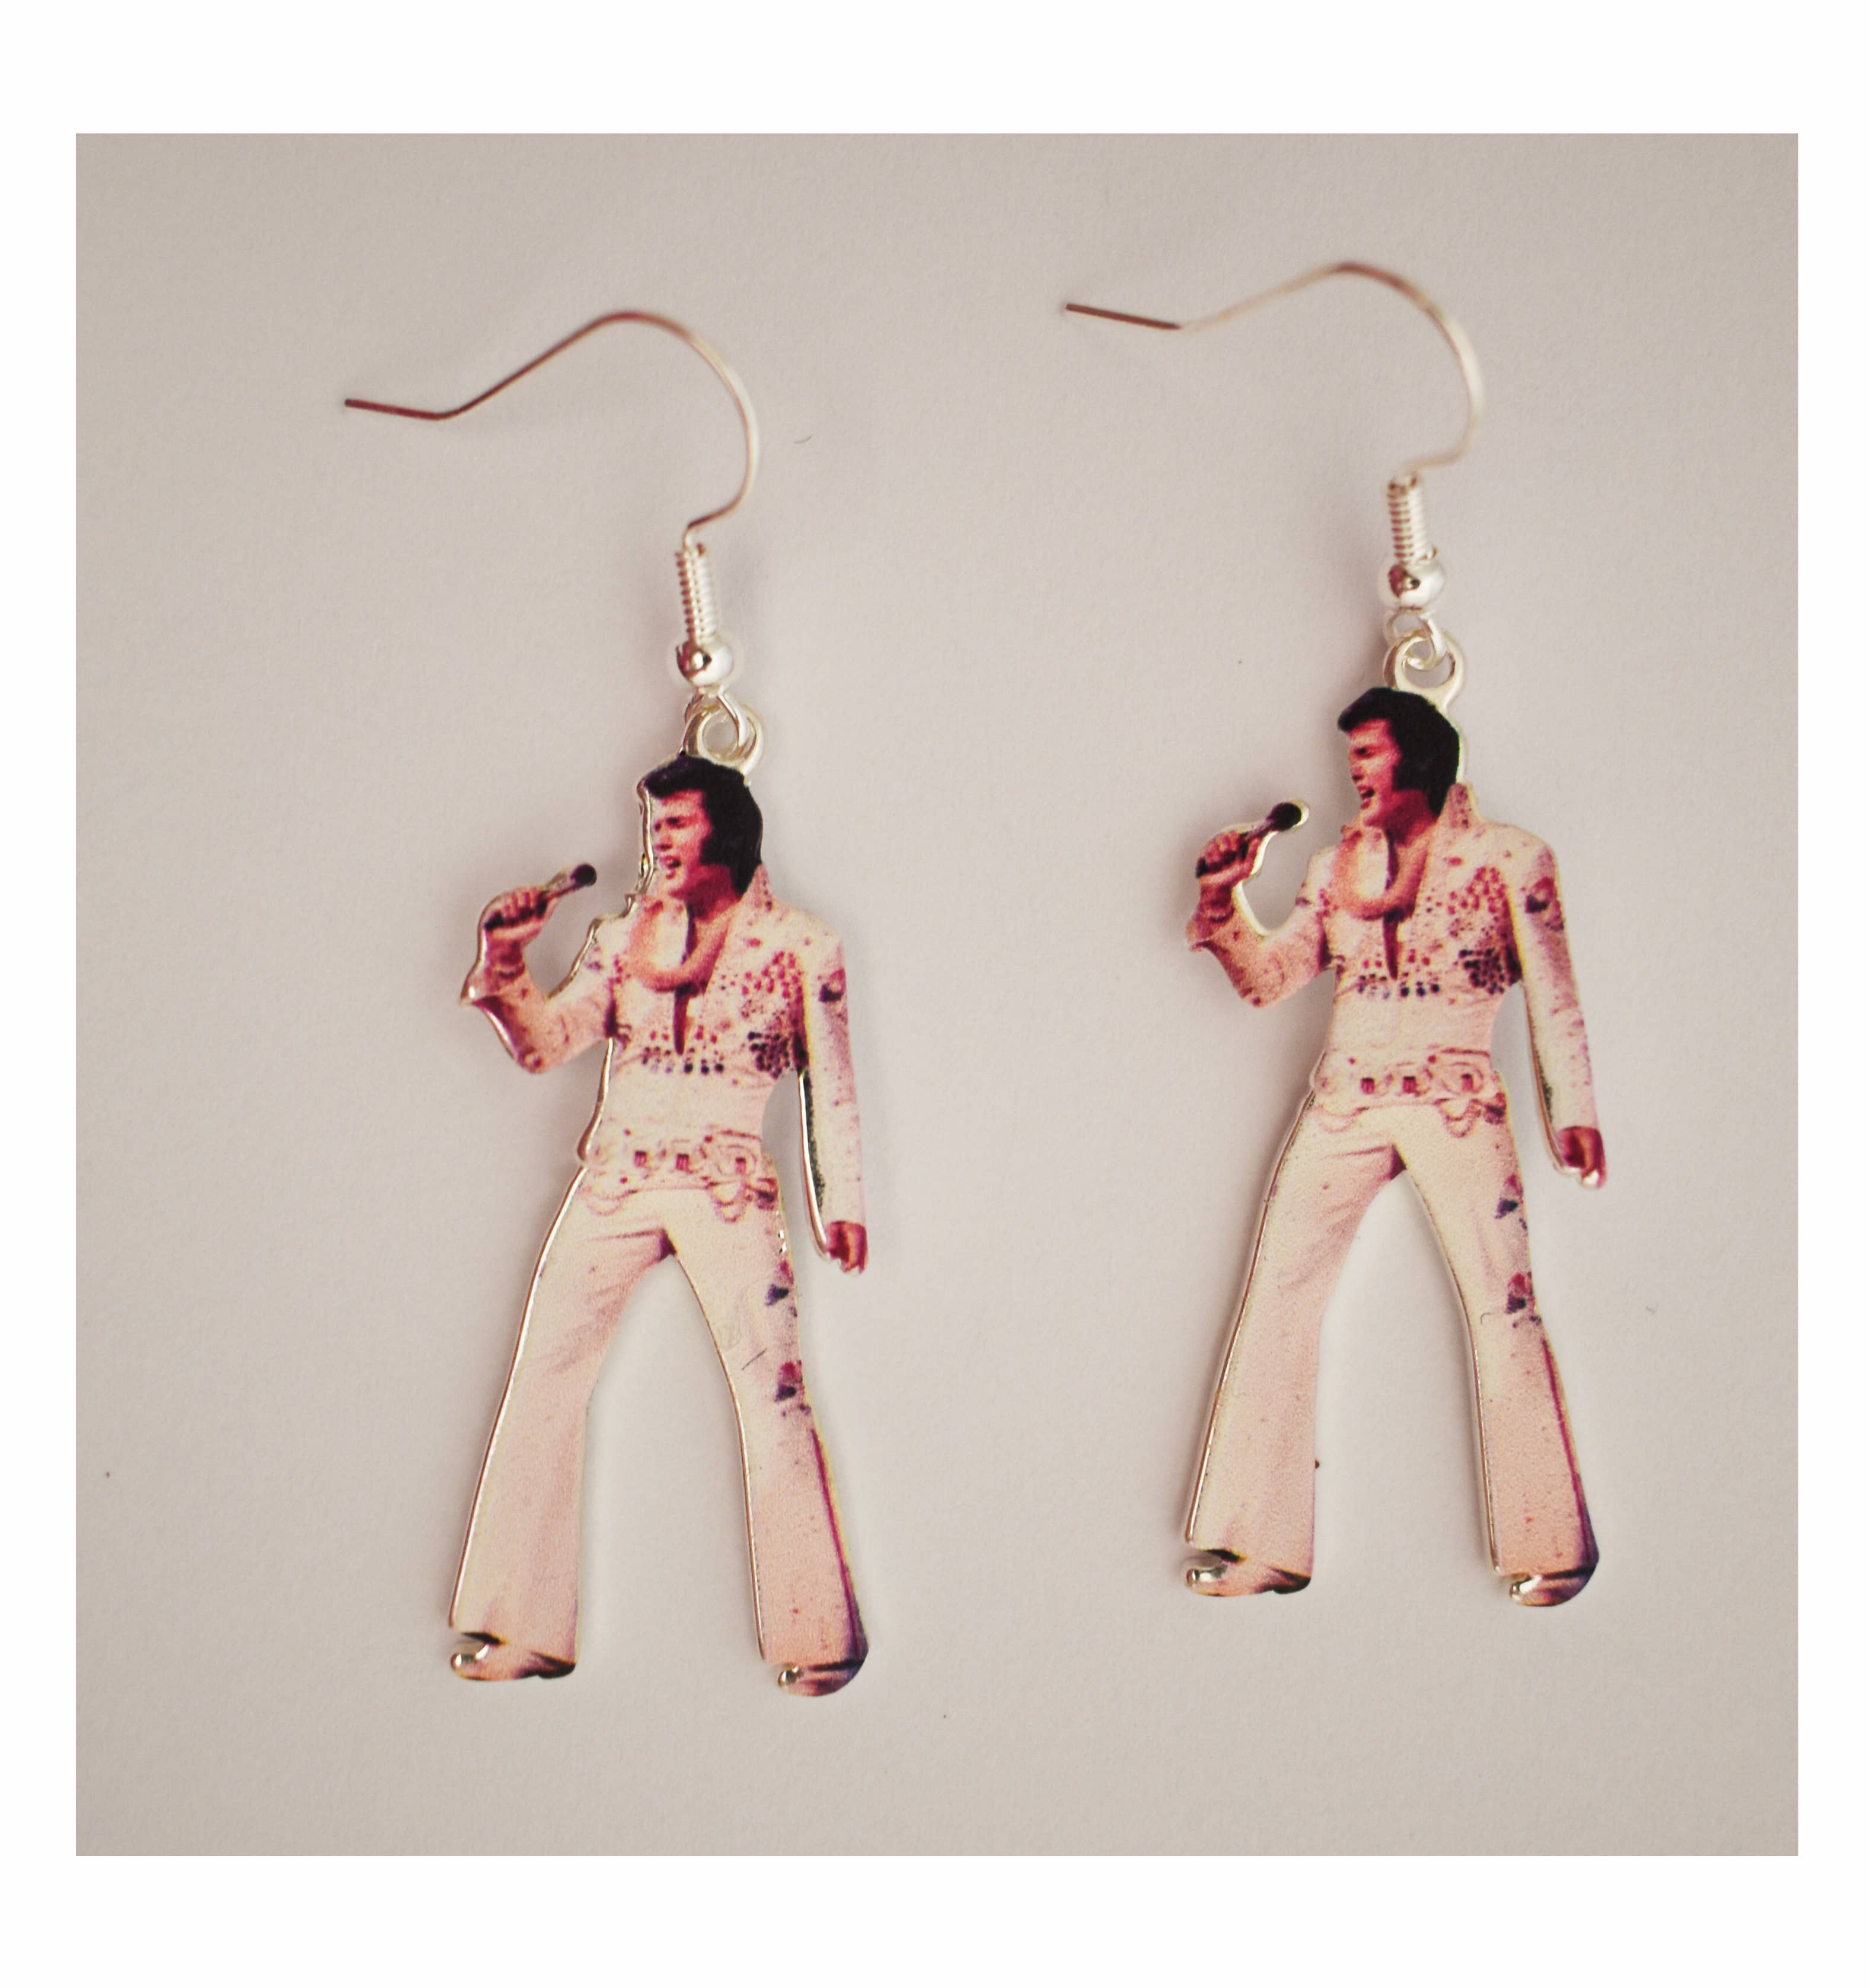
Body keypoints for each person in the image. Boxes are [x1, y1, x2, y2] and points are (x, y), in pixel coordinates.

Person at [448, 754, 870, 1693]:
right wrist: (505, 961)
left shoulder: (802, 944)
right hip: (616, 1180)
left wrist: (839, 1199)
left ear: (725, 827)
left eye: (676, 823)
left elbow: (832, 1080)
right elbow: (545, 1045)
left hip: (727, 1186)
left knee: (774, 1391)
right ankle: (521, 1621)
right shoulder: (618, 938)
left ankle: (819, 1635)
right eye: (654, 827)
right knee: (546, 1370)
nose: (659, 842)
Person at [1184, 686, 1604, 1606]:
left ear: (1417, 755)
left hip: (1457, 1102)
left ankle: (1552, 1543)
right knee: (1280, 1289)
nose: (1356, 772)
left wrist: (1572, 1107)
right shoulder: (1336, 865)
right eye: (1353, 758)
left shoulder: (1511, 859)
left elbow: (1554, 988)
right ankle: (1257, 1539)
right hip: (1346, 1102)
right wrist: (1223, 899)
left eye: (1368, 754)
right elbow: (1271, 980)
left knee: (1504, 1302)